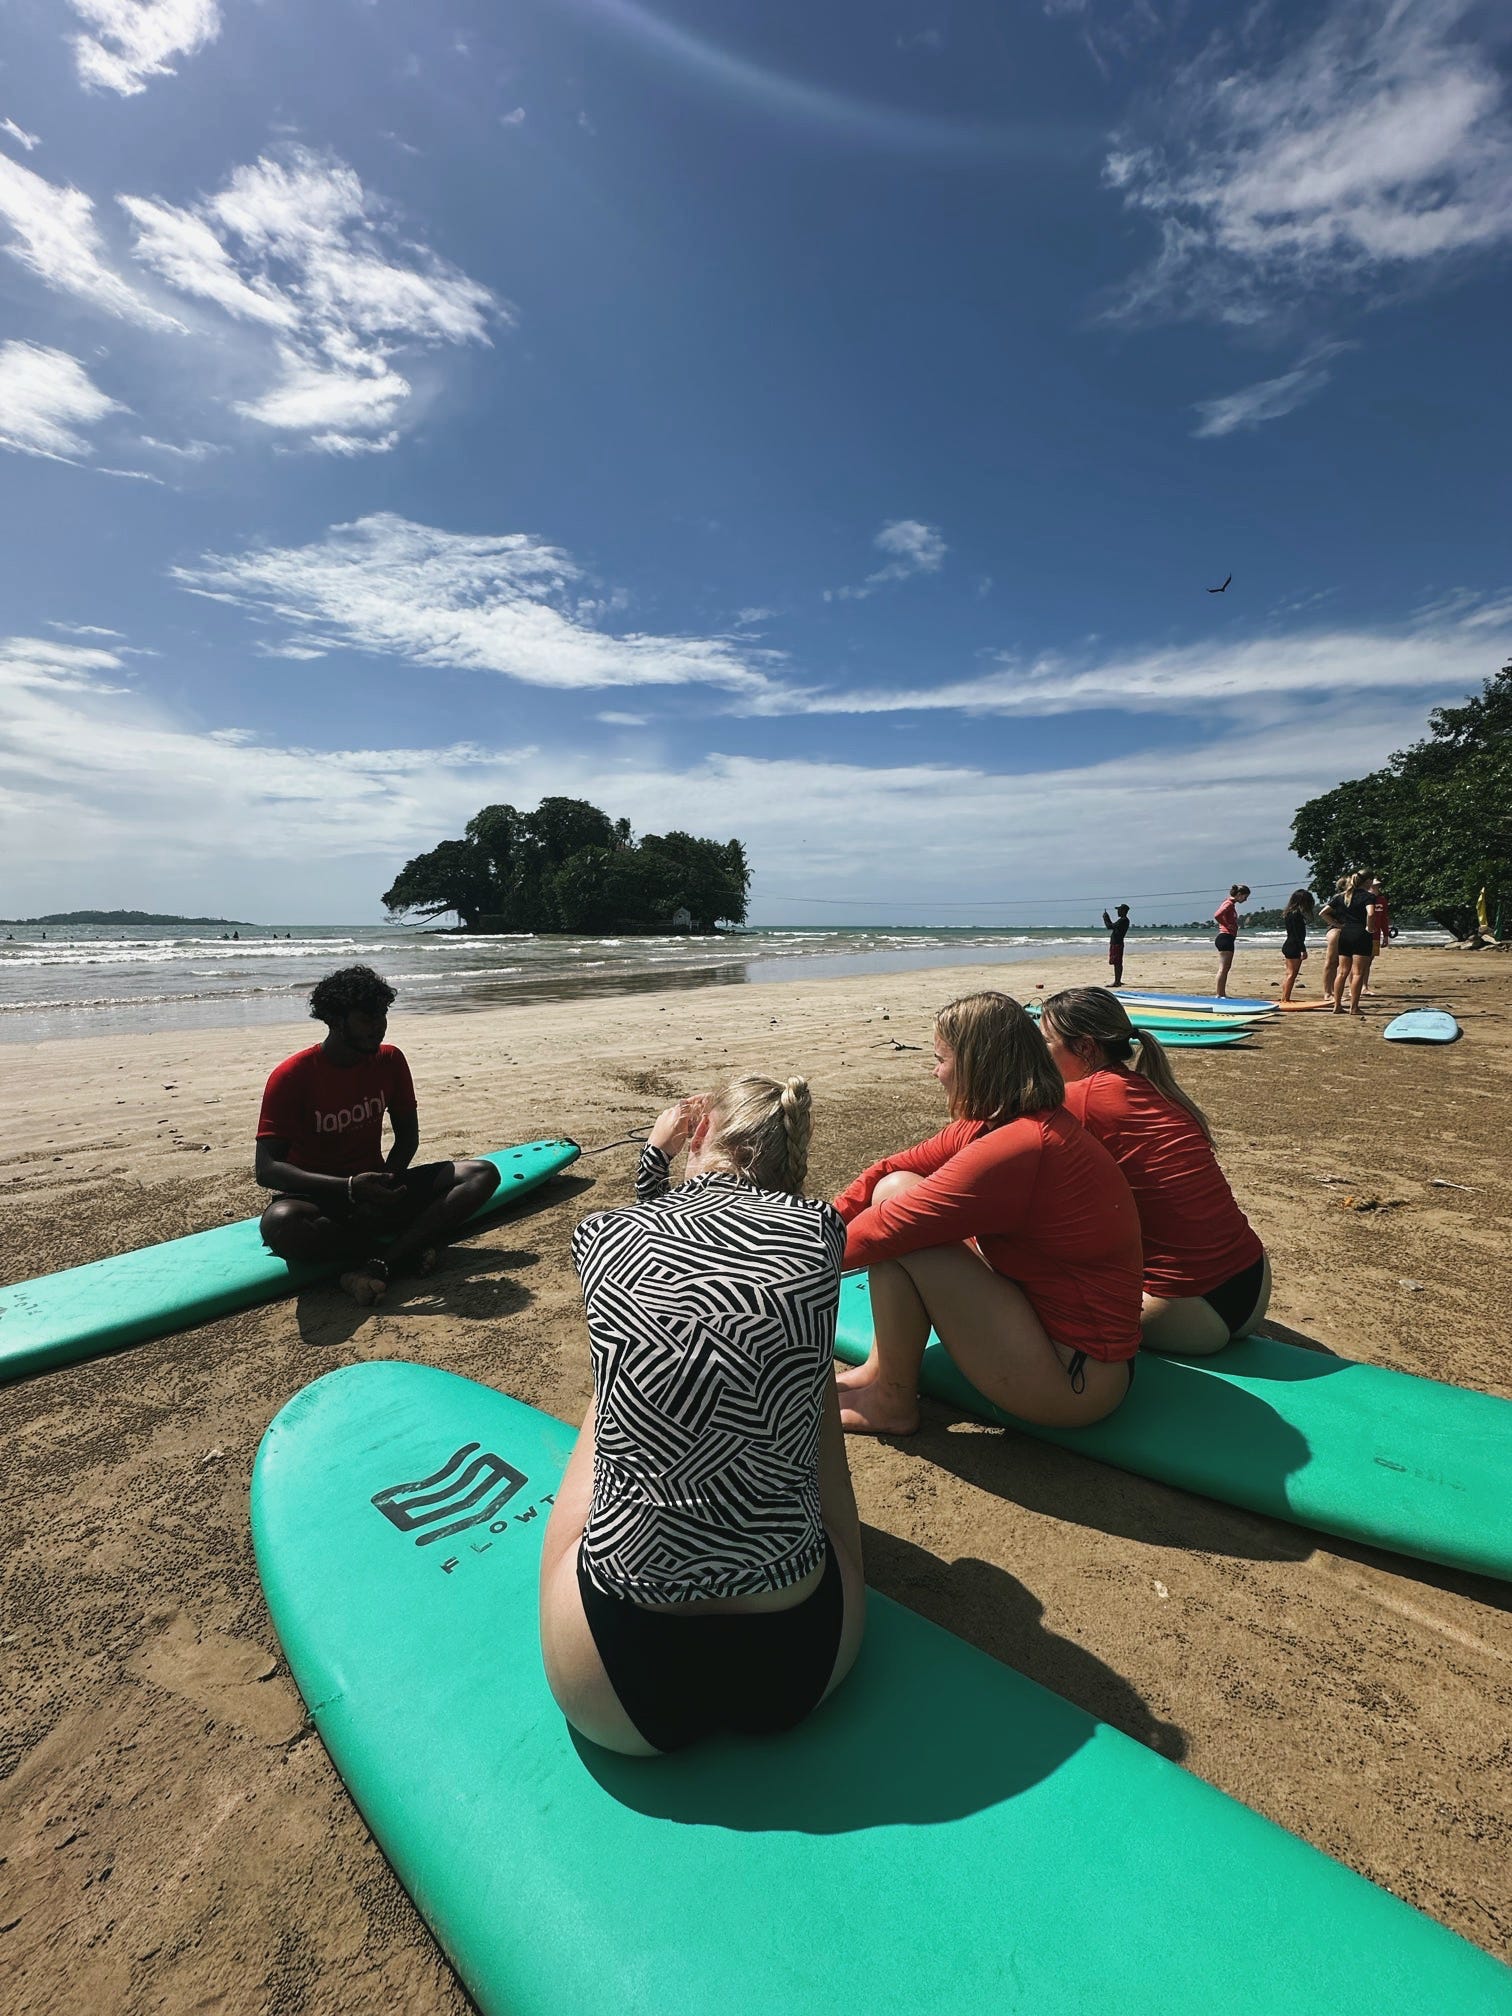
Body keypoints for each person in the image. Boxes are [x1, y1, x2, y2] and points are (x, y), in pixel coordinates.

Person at [539, 1076, 865, 1757]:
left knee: (620, 1375)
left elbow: (663, 1262)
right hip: (800, 1658)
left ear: (697, 1135)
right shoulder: (821, 1231)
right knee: (804, 1380)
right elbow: (714, 1262)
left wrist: (652, 1158)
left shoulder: (602, 1233)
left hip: (613, 1680)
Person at [830, 991, 1142, 1437]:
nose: (934, 1072)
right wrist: (812, 1225)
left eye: (940, 1059)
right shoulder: (998, 1122)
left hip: (1078, 1379)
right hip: (1054, 1336)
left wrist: (779, 1271)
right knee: (894, 1189)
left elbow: (887, 1231)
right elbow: (891, 1169)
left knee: (903, 1232)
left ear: (976, 1064)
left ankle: (891, 1403)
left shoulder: (1023, 1144)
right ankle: (880, 1375)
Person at [1039, 988, 1270, 1354]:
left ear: (1084, 1048)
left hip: (1182, 1304)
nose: (1040, 1054)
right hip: (1253, 1281)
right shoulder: (1156, 1089)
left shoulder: (1081, 1098)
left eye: (1046, 1042)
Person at [254, 964, 501, 1305]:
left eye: (382, 1016)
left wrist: (386, 1184)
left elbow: (407, 1138)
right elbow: (267, 1169)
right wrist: (351, 1188)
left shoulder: (390, 1060)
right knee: (280, 1224)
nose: (379, 1027)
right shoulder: (292, 1076)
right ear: (338, 1022)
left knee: (481, 1174)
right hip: (320, 1196)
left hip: (380, 1190)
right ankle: (401, 1250)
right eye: (367, 1019)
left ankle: (379, 1263)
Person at [1330, 871, 1377, 1016]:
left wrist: (1336, 924)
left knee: (1342, 971)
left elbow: (1323, 912)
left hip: (1345, 934)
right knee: (1357, 973)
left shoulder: (1341, 897)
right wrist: (1370, 928)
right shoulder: (1368, 896)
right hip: (1361, 934)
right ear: (1368, 881)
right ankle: (1354, 1007)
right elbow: (1370, 913)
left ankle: (1337, 1005)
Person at [1212, 884, 1249, 997]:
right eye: (1245, 896)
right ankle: (1220, 994)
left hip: (1227, 938)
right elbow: (1217, 915)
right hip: (1225, 938)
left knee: (1225, 968)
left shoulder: (1231, 904)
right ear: (1239, 894)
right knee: (1223, 968)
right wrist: (1227, 924)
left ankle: (1221, 993)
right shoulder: (1228, 903)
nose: (1245, 899)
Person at [1280, 889, 1315, 1003]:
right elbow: (1297, 934)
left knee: (1289, 974)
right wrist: (1303, 949)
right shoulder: (1296, 915)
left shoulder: (1289, 913)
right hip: (1293, 946)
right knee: (1292, 974)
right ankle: (1285, 999)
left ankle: (1285, 997)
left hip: (1289, 944)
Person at [1364, 878, 1393, 993]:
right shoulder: (1363, 899)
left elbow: (1384, 919)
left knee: (1369, 961)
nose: (1376, 888)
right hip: (1363, 935)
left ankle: (1364, 987)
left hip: (1375, 935)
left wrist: (1386, 935)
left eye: (1377, 886)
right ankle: (1356, 987)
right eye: (1374, 886)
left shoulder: (1382, 900)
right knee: (1360, 962)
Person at [1102, 904, 1131, 986]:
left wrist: (1106, 918)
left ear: (1123, 911)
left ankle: (1117, 982)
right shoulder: (1124, 920)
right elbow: (1112, 926)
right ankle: (1118, 980)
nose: (1118, 912)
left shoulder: (1123, 920)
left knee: (1117, 963)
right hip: (1118, 943)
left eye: (1119, 910)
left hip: (1117, 943)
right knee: (1118, 962)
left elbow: (1109, 926)